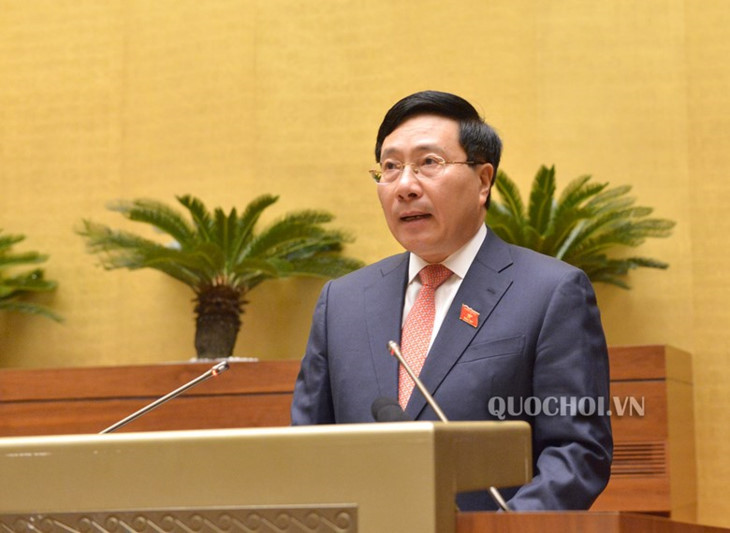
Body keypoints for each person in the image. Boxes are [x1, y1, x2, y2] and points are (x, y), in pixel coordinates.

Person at [291, 90, 612, 511]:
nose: (405, 186)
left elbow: (576, 452)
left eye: (429, 162)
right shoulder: (342, 302)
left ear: (483, 181)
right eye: (390, 167)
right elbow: (307, 450)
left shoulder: (551, 292)